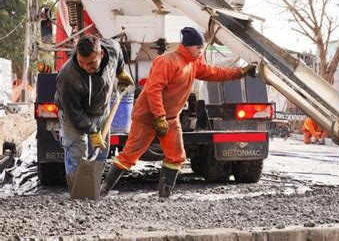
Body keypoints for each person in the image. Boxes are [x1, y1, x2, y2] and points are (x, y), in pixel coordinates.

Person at [100, 27, 256, 198]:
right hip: (148, 117)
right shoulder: (167, 61)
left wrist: (240, 73)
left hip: (170, 118)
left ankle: (164, 196)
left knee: (176, 156)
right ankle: (103, 190)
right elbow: (154, 90)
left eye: (201, 48)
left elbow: (214, 72)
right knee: (130, 155)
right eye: (198, 47)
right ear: (187, 46)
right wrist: (159, 117)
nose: (200, 51)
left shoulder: (194, 63)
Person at [55, 35, 134, 190]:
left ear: (101, 54)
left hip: (101, 110)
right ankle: (78, 191)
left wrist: (120, 70)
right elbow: (74, 112)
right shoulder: (68, 77)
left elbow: (118, 51)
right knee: (76, 151)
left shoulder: (111, 49)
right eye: (81, 62)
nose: (86, 67)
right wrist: (92, 131)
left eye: (91, 63)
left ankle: (91, 188)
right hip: (74, 114)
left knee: (100, 152)